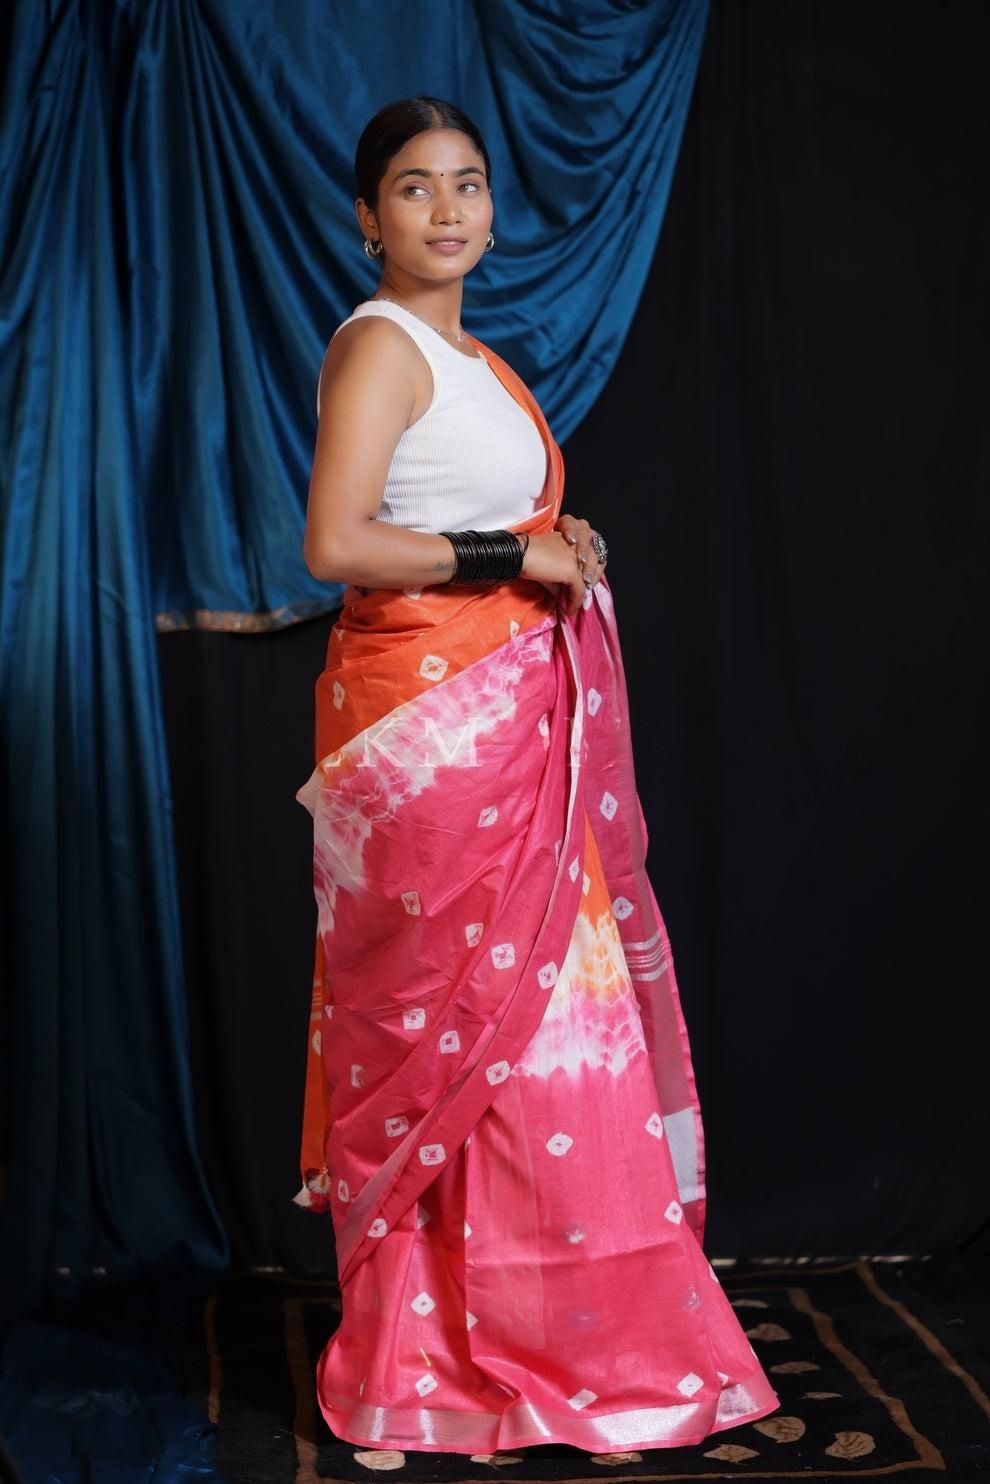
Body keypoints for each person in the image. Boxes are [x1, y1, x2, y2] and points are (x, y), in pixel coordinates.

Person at [294, 96, 780, 1459]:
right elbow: (336, 542)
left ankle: (550, 1337)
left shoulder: (473, 359)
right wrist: (517, 559)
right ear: (367, 217)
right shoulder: (379, 347)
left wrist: (550, 541)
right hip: (435, 747)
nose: (446, 209)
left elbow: (466, 518)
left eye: (467, 183)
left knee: (547, 1042)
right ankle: (415, 1360)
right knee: (456, 1038)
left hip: (512, 739)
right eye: (413, 187)